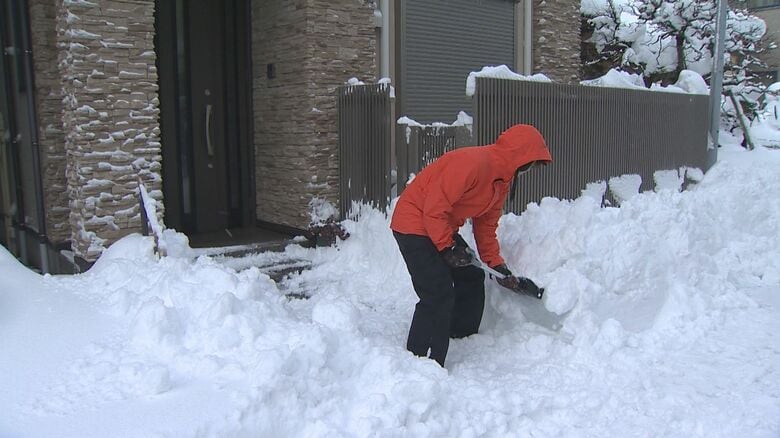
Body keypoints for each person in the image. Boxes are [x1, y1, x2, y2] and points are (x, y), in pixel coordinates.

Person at [390, 124, 552, 366]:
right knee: (438, 290)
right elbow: (435, 207)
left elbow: (485, 228)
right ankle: (421, 359)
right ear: (521, 157)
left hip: (438, 225)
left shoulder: (500, 182)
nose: (530, 169)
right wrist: (447, 248)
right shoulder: (473, 164)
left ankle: (459, 334)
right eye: (532, 163)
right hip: (413, 223)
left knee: (471, 275)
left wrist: (498, 267)